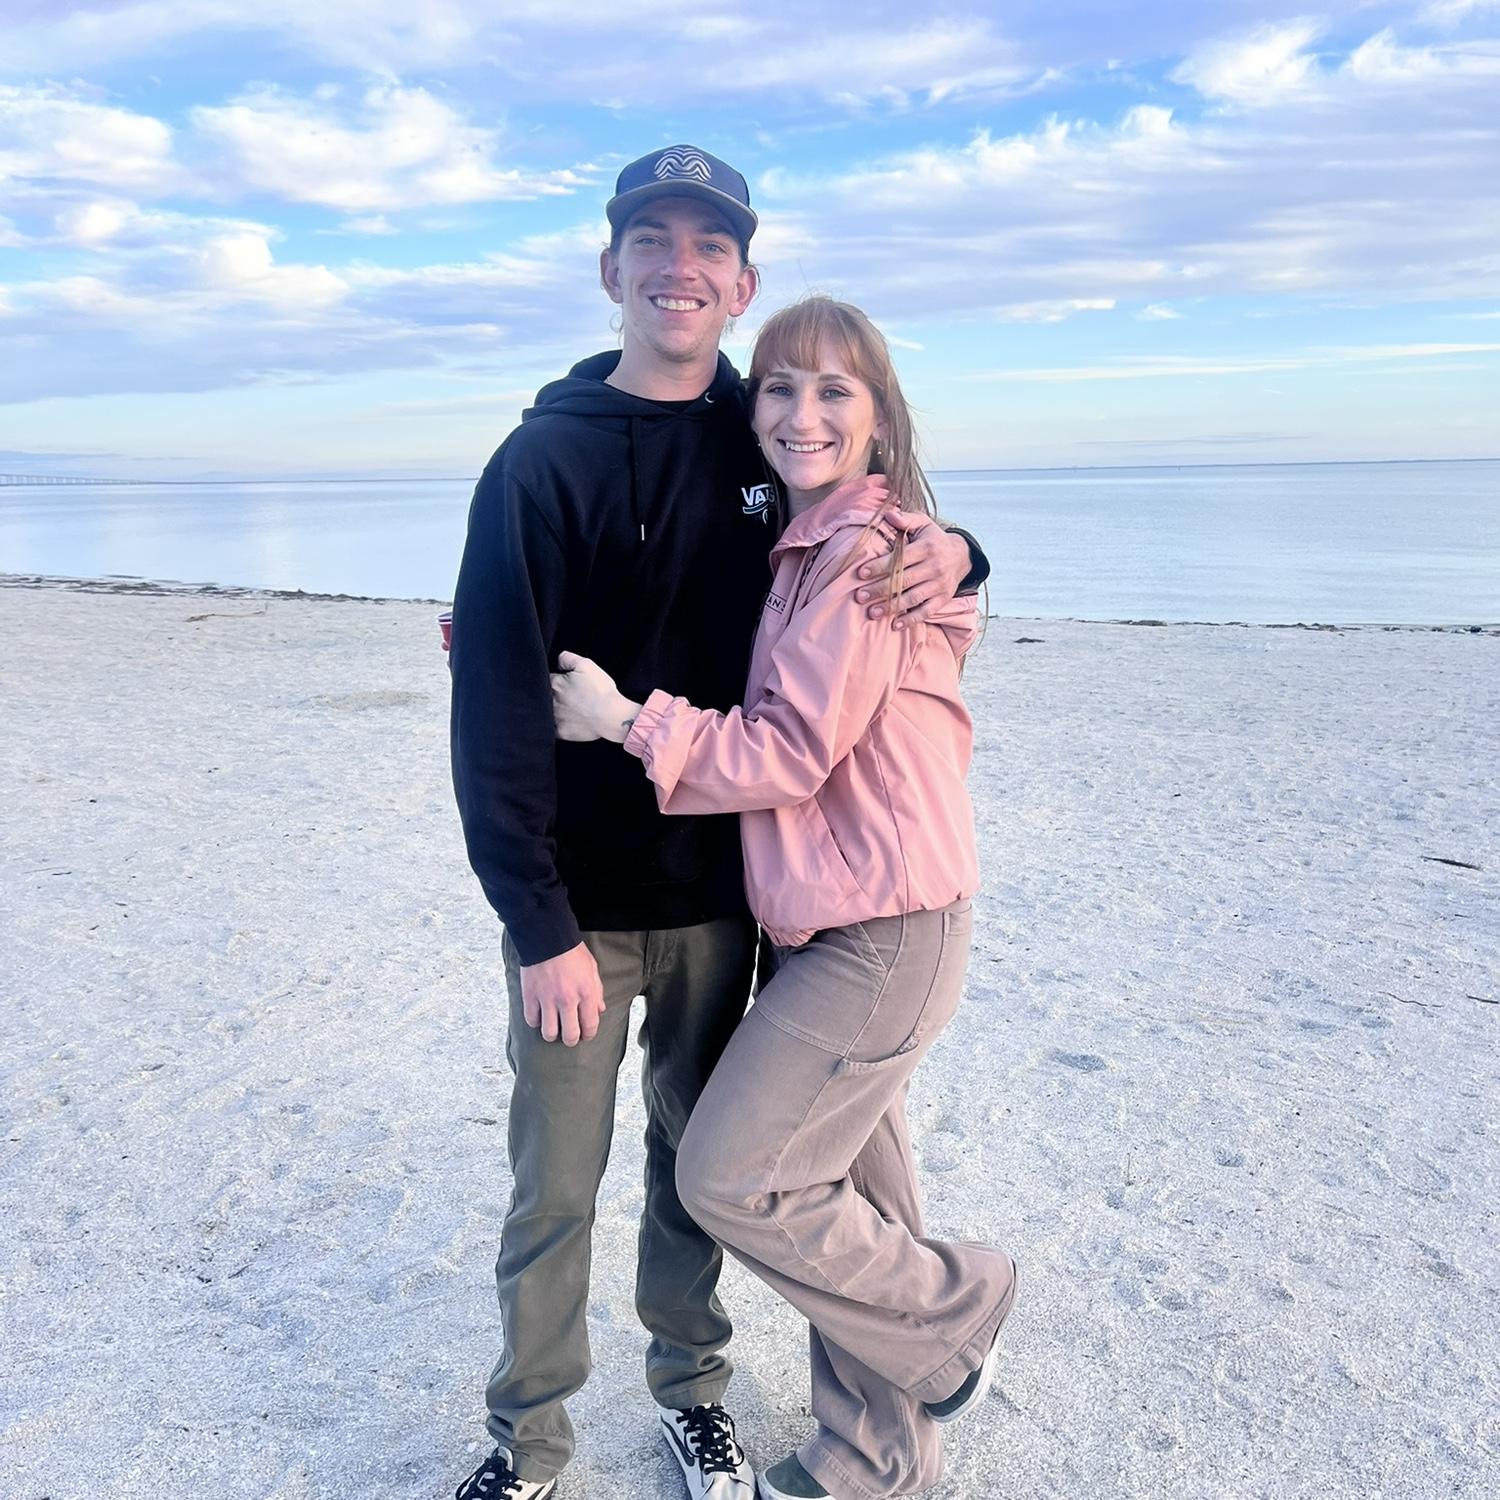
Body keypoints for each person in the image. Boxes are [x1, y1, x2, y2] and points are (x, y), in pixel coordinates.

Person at [449, 149, 987, 1500]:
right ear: (611, 269)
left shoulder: (763, 437)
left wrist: (962, 550)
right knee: (554, 1191)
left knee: (700, 1173)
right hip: (580, 912)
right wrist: (534, 922)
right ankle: (530, 1440)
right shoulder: (538, 461)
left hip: (727, 903)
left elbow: (873, 509)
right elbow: (494, 714)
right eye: (653, 240)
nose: (679, 267)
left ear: (741, 285)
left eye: (708, 247)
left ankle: (693, 1394)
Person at [550, 296, 1018, 1500]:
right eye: (779, 388)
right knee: (856, 1190)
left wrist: (622, 720)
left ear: (879, 418)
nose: (801, 413)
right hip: (841, 919)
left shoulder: (866, 557)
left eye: (834, 391)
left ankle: (956, 1312)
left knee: (732, 1174)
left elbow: (788, 752)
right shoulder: (821, 544)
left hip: (884, 930)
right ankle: (876, 1457)